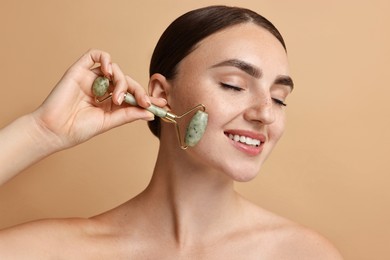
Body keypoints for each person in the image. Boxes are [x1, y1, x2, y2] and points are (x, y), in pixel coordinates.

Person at [0, 5, 343, 259]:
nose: (265, 113)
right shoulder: (59, 251)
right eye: (233, 85)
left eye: (279, 98)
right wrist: (39, 132)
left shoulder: (303, 253)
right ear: (161, 94)